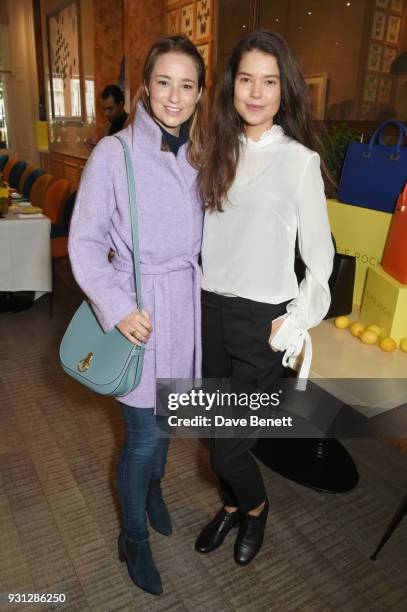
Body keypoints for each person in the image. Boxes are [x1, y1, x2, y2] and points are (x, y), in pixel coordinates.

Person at [68, 35, 206, 596]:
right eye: (164, 82)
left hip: (187, 305)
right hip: (140, 310)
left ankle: (153, 490)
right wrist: (119, 307)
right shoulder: (115, 153)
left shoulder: (201, 151)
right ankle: (133, 537)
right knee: (142, 437)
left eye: (187, 85)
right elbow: (83, 241)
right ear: (145, 87)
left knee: (170, 422)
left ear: (200, 94)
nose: (175, 96)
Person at [196, 30, 335, 566]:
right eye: (247, 79)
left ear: (284, 90)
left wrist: (294, 321)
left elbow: (320, 261)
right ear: (232, 86)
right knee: (213, 435)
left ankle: (254, 509)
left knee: (232, 445)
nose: (256, 92)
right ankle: (230, 506)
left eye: (269, 81)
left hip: (262, 323)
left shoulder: (299, 161)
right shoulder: (215, 152)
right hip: (210, 311)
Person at [85, 85, 129, 150]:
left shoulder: (132, 125)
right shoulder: (107, 127)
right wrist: (95, 150)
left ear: (120, 105)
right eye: (104, 109)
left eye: (110, 109)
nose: (106, 114)